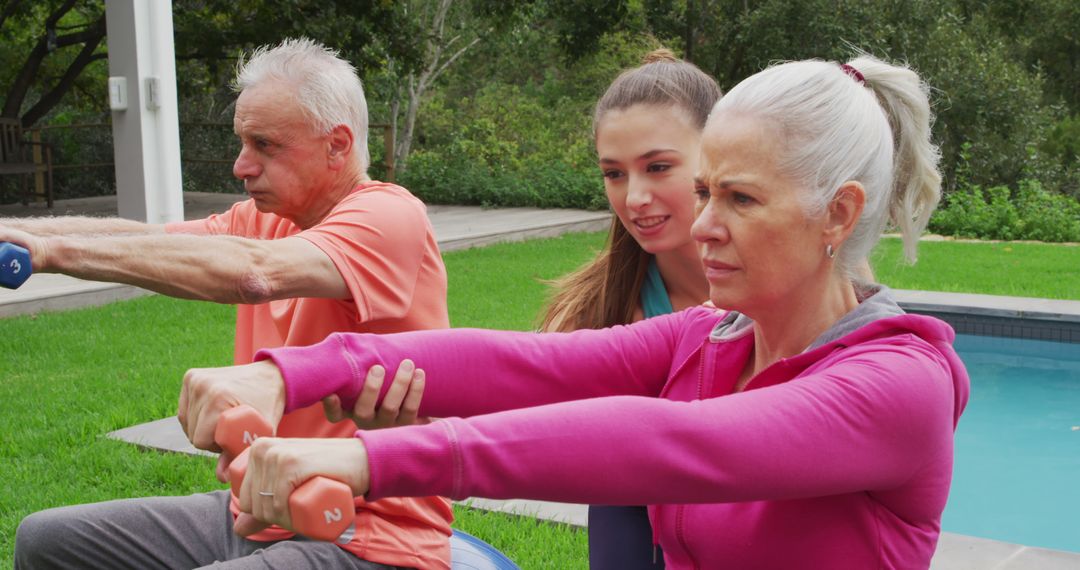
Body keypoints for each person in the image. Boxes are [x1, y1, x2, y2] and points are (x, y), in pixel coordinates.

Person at [181, 54, 969, 569]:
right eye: (705, 192)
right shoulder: (713, 337)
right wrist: (288, 377)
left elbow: (678, 444)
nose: (701, 226)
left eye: (739, 199)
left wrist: (365, 461)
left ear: (838, 214)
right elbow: (528, 365)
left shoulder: (899, 381)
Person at [12, 38, 453, 570]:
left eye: (265, 145)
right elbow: (153, 239)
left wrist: (50, 250)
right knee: (44, 539)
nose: (242, 167)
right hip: (260, 512)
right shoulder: (265, 219)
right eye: (243, 142)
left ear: (337, 145)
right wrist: (20, 235)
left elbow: (253, 274)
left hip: (372, 535)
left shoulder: (388, 216)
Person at [539, 49, 716, 569]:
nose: (634, 197)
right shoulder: (597, 309)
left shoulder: (794, 289)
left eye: (658, 167)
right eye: (614, 174)